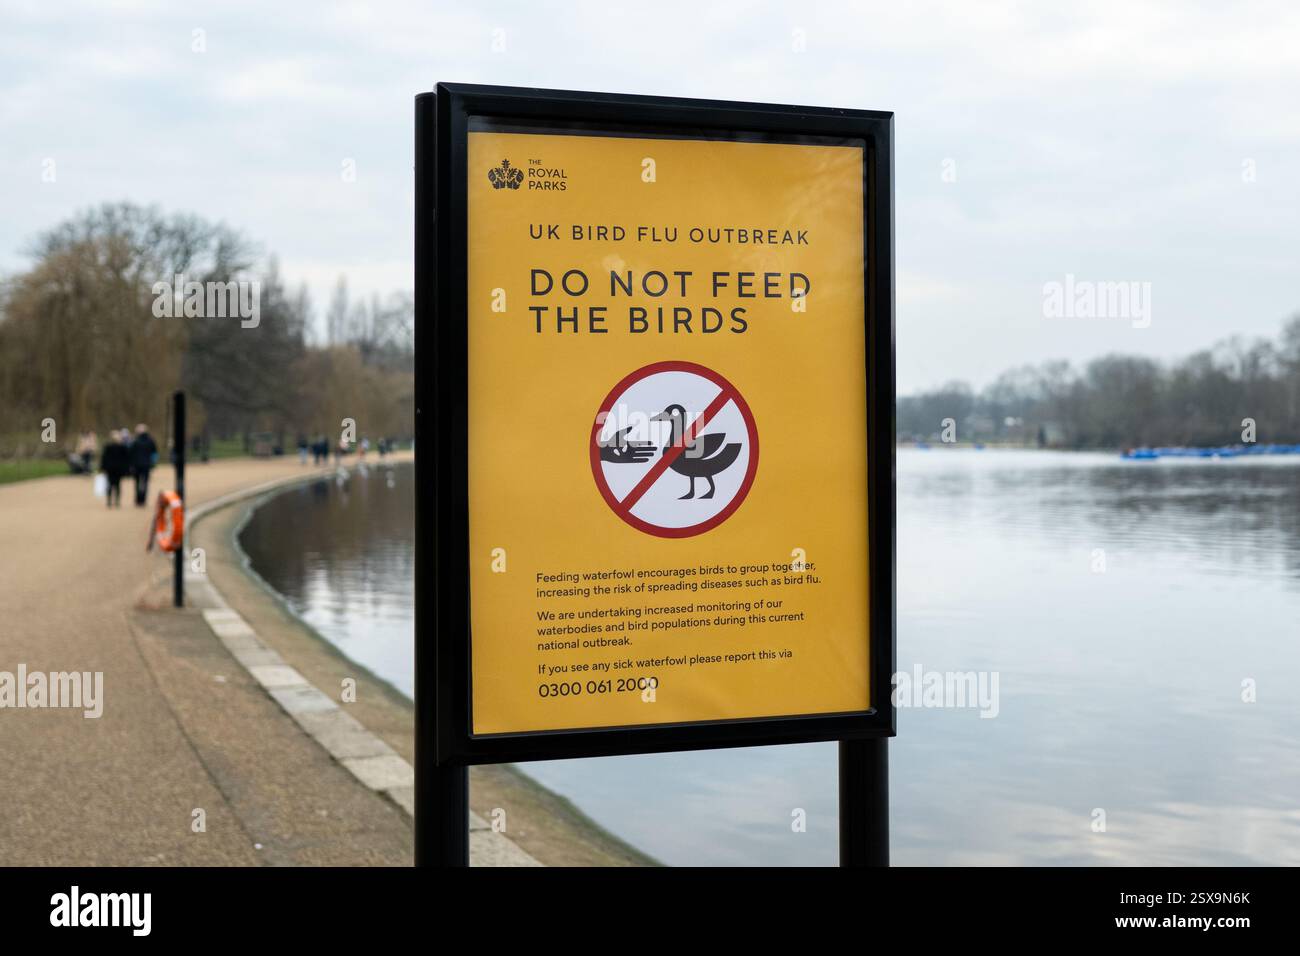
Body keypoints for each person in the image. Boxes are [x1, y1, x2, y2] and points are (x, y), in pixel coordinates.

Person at [99, 430, 130, 508]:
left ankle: (109, 501)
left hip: (110, 469)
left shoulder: (108, 447)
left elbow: (104, 458)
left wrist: (102, 468)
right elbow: (126, 460)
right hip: (118, 470)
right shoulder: (122, 447)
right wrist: (126, 469)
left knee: (110, 485)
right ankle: (116, 501)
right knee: (117, 485)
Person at [130, 423, 158, 507]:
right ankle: (143, 499)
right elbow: (154, 453)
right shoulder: (150, 440)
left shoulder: (135, 441)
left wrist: (131, 465)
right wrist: (153, 463)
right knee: (145, 482)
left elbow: (131, 454)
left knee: (137, 483)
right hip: (146, 465)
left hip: (137, 465)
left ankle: (138, 499)